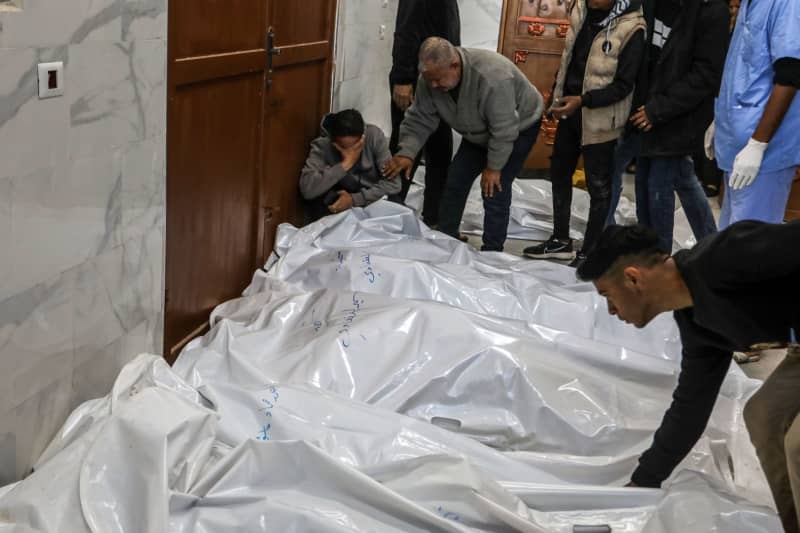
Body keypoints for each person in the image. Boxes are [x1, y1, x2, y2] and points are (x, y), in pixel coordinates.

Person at [576, 222, 800, 533]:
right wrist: (645, 481)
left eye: (607, 295)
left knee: (798, 442)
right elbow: (690, 407)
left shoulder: (724, 256)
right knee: (763, 415)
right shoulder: (697, 323)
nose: (611, 310)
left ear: (632, 278)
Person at [383, 37, 544, 252]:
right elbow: (419, 119)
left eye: (438, 80)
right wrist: (407, 152)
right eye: (429, 80)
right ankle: (445, 240)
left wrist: (494, 167)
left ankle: (492, 252)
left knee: (494, 188)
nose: (433, 86)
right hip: (477, 131)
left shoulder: (493, 77)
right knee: (456, 180)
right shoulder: (430, 78)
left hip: (518, 127)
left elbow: (504, 130)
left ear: (455, 65)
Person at [523, 0, 645, 266]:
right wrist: (557, 92)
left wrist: (585, 100)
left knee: (598, 188)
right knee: (559, 171)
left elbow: (625, 86)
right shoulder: (581, 10)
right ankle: (560, 240)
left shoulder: (633, 28)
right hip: (570, 110)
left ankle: (590, 252)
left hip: (601, 118)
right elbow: (569, 58)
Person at [628, 0, 728, 252]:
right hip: (644, 114)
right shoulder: (651, 5)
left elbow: (705, 74)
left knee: (656, 194)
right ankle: (711, 251)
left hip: (677, 117)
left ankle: (658, 264)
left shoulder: (711, 10)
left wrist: (657, 110)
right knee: (669, 181)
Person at [706, 0, 800, 229]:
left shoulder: (787, 4)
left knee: (751, 247)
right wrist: (720, 120)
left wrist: (758, 144)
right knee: (730, 238)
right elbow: (744, 69)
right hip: (738, 141)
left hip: (764, 152)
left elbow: (791, 75)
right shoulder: (750, 4)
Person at [389, 0, 461, 226]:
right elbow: (406, 30)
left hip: (438, 77)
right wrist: (403, 78)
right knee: (407, 145)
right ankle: (390, 212)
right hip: (416, 79)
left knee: (440, 151)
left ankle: (434, 218)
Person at [299, 109, 399, 221]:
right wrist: (345, 164)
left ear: (362, 137)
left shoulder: (373, 136)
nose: (351, 152)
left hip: (372, 196)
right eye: (344, 148)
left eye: (355, 147)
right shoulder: (324, 145)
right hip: (342, 196)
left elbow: (394, 184)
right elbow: (307, 189)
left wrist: (354, 199)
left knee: (396, 207)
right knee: (318, 202)